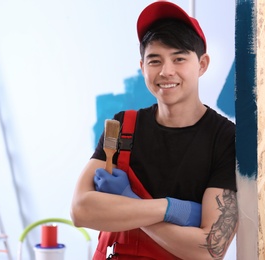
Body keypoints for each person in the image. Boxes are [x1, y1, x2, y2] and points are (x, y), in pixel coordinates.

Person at [70, 1, 238, 259]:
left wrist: (127, 204)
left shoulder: (225, 139)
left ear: (202, 64)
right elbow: (81, 211)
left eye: (179, 58)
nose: (166, 71)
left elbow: (210, 250)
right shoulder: (123, 126)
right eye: (155, 61)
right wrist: (171, 209)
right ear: (142, 67)